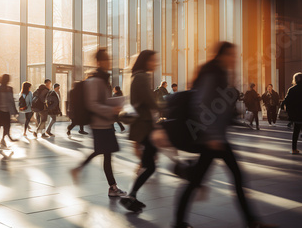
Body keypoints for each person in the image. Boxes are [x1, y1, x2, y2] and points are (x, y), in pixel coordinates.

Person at [173, 42, 275, 228]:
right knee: (223, 178)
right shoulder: (214, 73)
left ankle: (251, 221)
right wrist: (211, 135)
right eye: (232, 55)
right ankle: (251, 221)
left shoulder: (220, 72)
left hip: (215, 138)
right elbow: (200, 102)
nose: (234, 58)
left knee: (218, 178)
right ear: (223, 55)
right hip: (212, 140)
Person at [70, 48, 126, 198]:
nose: (109, 62)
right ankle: (111, 187)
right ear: (99, 62)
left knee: (104, 153)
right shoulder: (95, 81)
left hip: (105, 123)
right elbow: (92, 104)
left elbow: (101, 101)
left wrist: (114, 104)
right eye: (107, 60)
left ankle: (112, 187)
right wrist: (111, 109)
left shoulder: (103, 79)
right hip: (99, 124)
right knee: (103, 153)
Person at [119, 50, 159, 212]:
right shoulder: (142, 77)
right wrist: (167, 108)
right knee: (150, 165)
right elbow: (150, 101)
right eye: (153, 60)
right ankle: (131, 196)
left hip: (142, 126)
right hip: (144, 126)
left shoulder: (136, 76)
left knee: (149, 162)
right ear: (146, 61)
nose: (155, 63)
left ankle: (132, 196)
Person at [0, 74, 18, 149]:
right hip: (2, 111)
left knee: (3, 127)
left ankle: (0, 141)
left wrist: (14, 110)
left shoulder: (6, 88)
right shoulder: (1, 89)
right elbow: (11, 101)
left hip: (2, 111)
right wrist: (14, 110)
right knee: (1, 126)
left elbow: (11, 100)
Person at [284, 72, 302, 154]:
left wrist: (289, 112)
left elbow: (286, 101)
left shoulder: (291, 90)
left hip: (297, 115)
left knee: (296, 132)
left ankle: (294, 149)